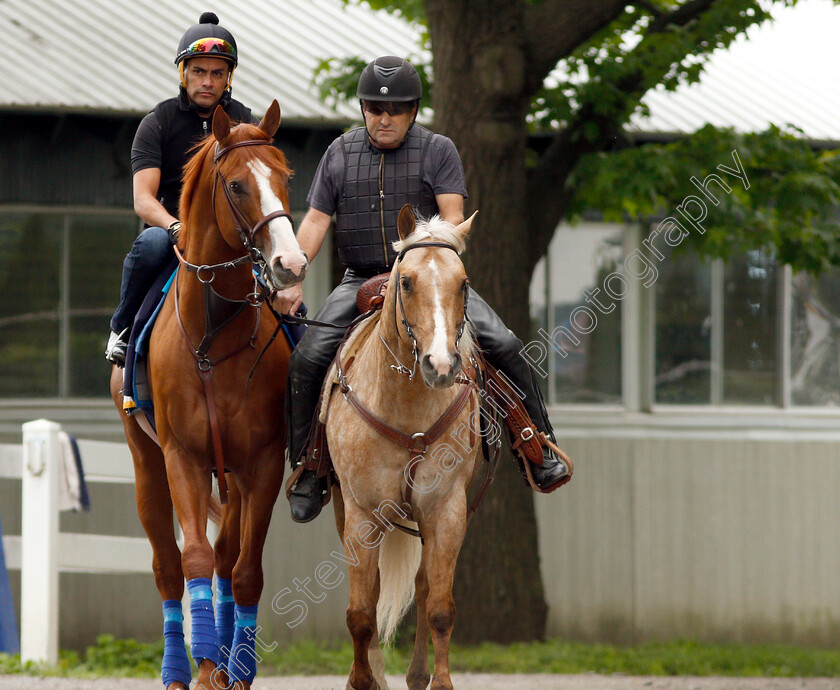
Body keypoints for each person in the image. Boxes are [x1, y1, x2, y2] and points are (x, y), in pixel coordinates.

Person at [278, 56, 570, 523]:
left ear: (413, 110)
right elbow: (314, 221)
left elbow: (453, 216)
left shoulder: (439, 149)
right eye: (374, 107)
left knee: (506, 344)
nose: (384, 117)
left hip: (428, 279)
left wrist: (421, 249)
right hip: (359, 280)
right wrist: (291, 278)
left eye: (395, 108)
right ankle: (309, 467)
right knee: (307, 358)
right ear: (363, 108)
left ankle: (536, 445)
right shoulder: (338, 152)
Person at [105, 12, 253, 365]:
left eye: (217, 73)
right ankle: (121, 328)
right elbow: (143, 200)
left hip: (234, 237)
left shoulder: (246, 122)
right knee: (151, 242)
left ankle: (297, 340)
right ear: (183, 72)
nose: (207, 81)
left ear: (228, 77)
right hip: (172, 233)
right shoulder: (157, 122)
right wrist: (175, 227)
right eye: (198, 71)